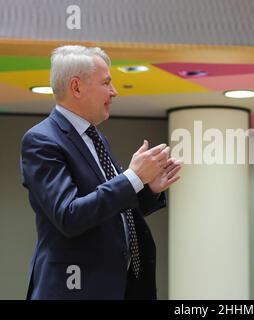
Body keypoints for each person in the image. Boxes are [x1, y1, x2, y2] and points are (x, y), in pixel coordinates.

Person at [20, 45, 182, 299]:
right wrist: (133, 178)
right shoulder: (42, 140)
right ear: (76, 87)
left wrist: (146, 188)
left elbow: (109, 213)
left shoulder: (96, 139)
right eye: (106, 83)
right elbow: (69, 216)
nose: (114, 92)